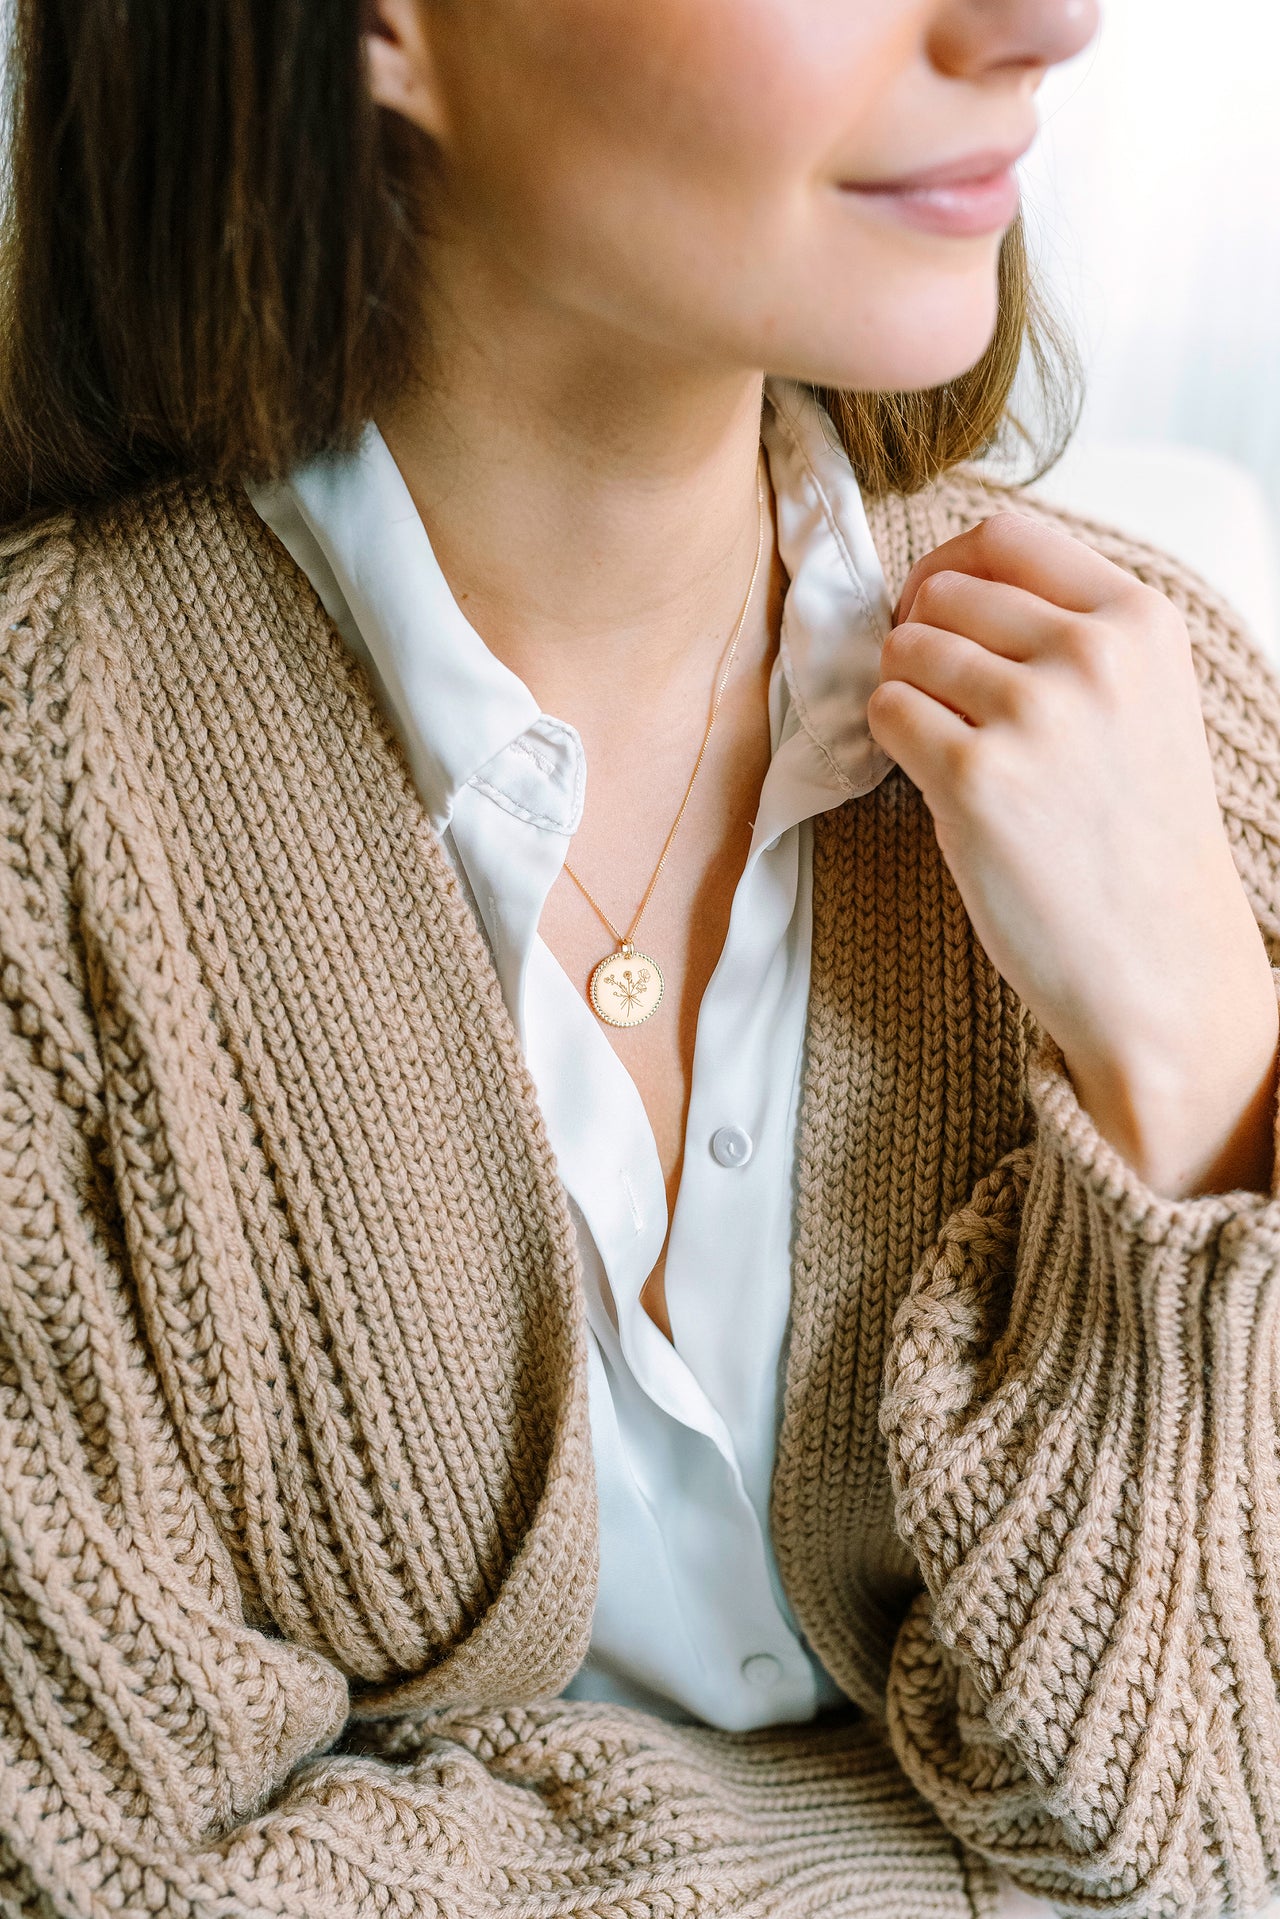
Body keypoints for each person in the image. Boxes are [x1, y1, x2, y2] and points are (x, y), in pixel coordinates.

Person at [2, 0, 1280, 1914]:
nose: (1044, 20)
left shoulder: (1164, 737)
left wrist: (1197, 1077)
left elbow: (1208, 1815)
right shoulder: (46, 838)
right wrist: (916, 1870)